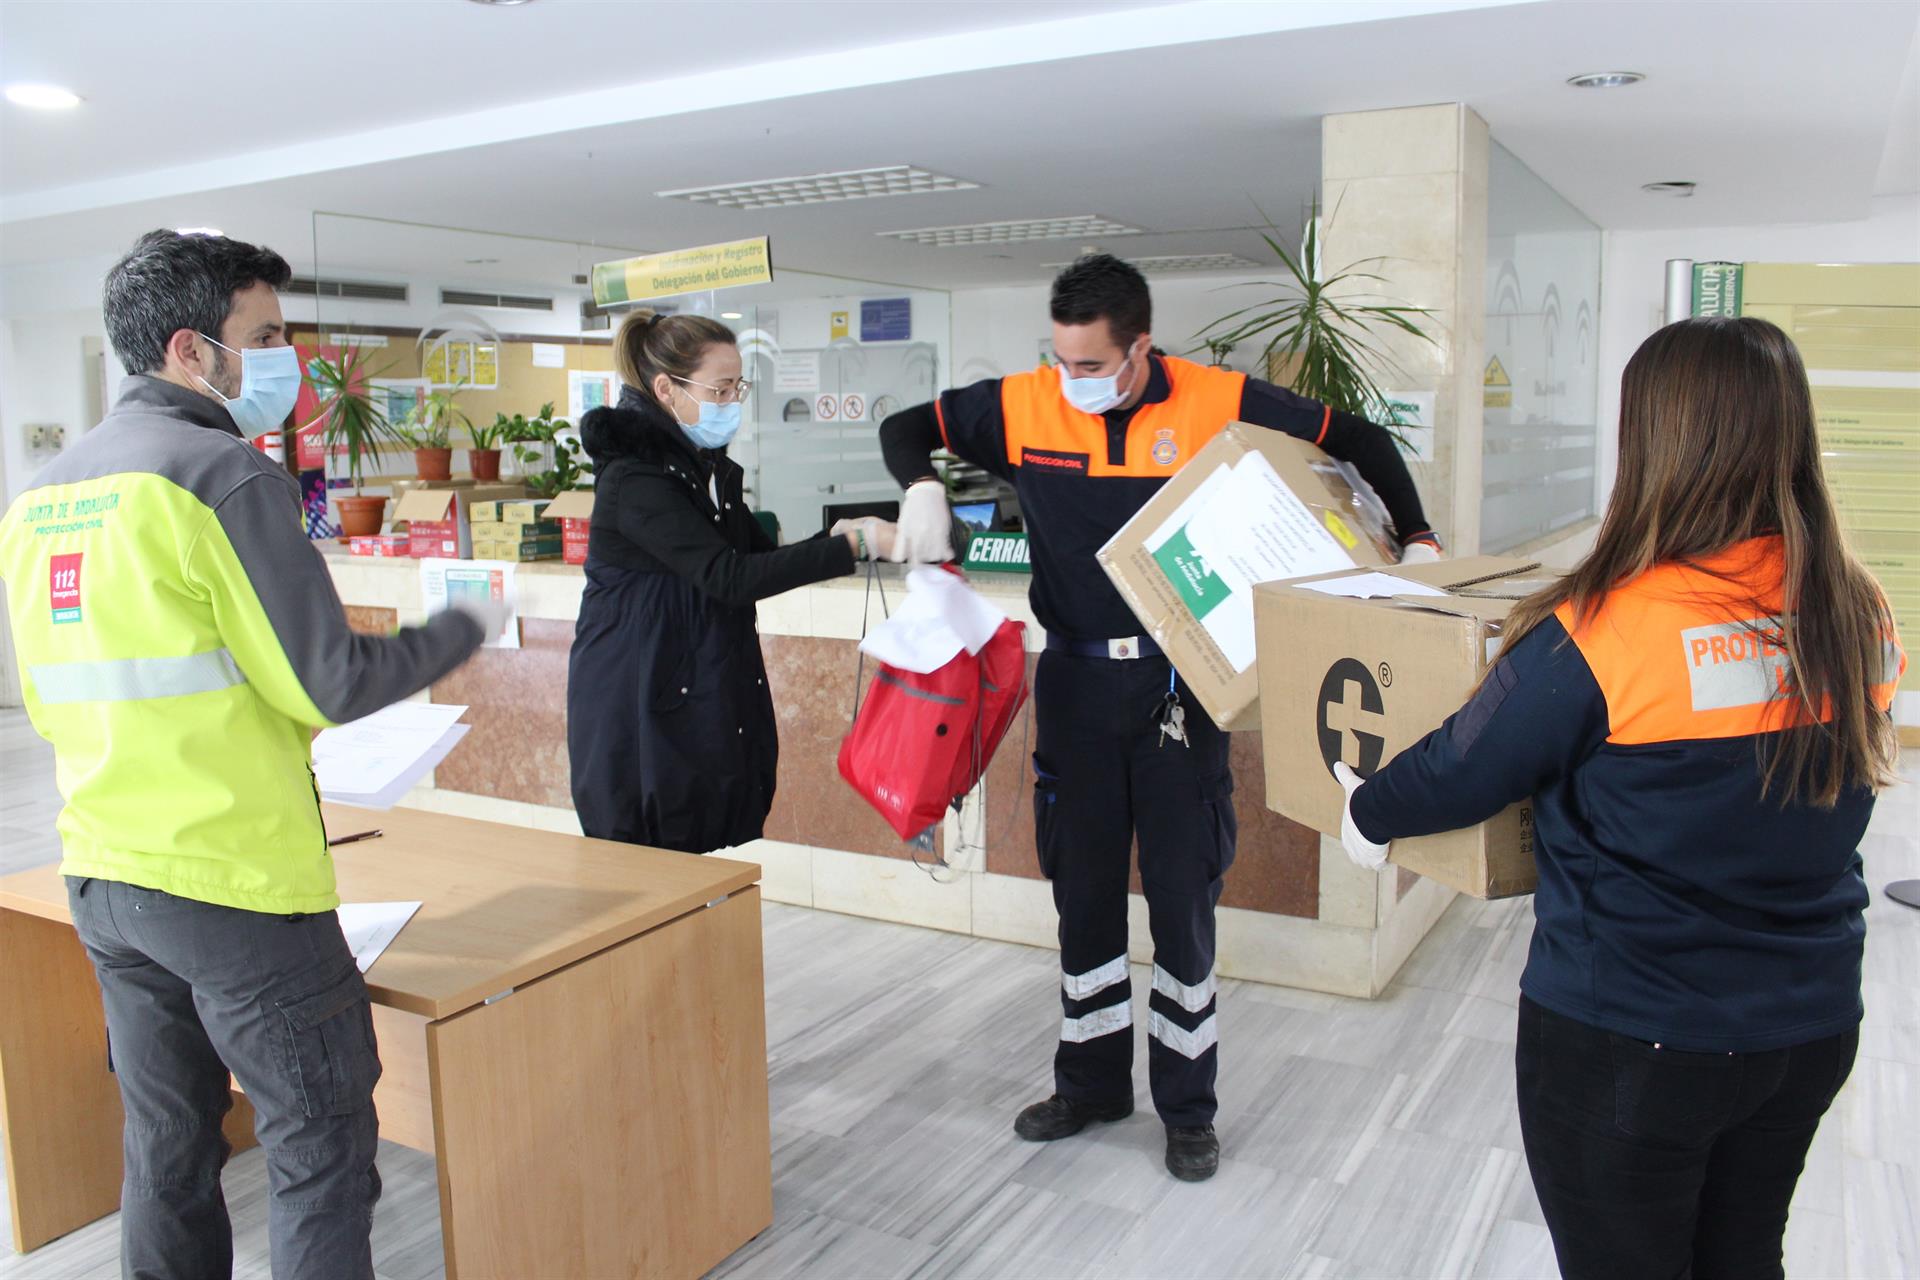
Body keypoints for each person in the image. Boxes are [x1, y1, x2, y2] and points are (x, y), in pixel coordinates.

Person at [1334, 316, 1905, 1280]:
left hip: (1636, 1041)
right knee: (1743, 1255)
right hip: (1808, 1024)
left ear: (1657, 442)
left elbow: (1463, 769)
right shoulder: (1857, 609)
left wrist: (1365, 812)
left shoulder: (1607, 628)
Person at [0, 229, 503, 1279]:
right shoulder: (219, 474)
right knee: (319, 1142)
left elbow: (56, 699)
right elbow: (330, 682)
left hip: (104, 868)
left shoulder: (43, 495)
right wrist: (459, 629)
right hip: (232, 880)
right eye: (264, 334)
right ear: (193, 350)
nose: (288, 358)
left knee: (171, 1140)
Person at [878, 254, 1441, 1182]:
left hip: (1180, 693)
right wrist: (923, 486)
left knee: (1182, 899)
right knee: (1083, 897)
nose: (1072, 379)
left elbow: (1364, 443)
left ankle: (1188, 1109)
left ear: (1141, 346)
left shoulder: (1219, 402)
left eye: (1092, 363)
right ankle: (1090, 1086)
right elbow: (908, 427)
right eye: (1060, 359)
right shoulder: (1024, 406)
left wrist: (1416, 537)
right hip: (1073, 687)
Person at [568, 310, 897, 854]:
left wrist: (835, 535)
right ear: (666, 389)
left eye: (737, 388)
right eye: (721, 389)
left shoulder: (704, 471)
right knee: (658, 872)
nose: (732, 403)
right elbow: (728, 577)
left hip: (692, 688)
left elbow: (759, 558)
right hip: (640, 708)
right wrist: (853, 548)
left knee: (707, 863)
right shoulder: (636, 479)